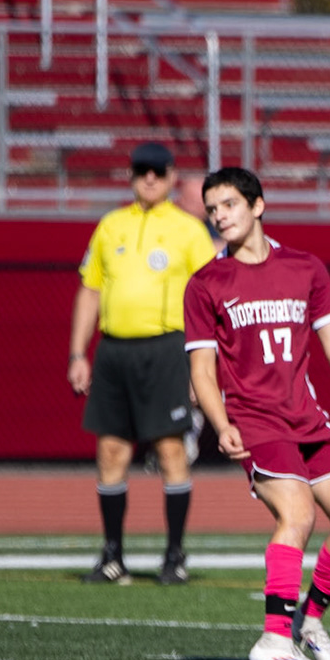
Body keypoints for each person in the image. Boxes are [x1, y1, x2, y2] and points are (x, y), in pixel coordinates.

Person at [184, 167, 330, 660]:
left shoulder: (306, 268)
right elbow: (200, 368)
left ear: (258, 205)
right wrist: (220, 424)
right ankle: (273, 640)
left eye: (228, 205)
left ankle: (309, 621)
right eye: (212, 209)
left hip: (308, 419)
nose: (219, 217)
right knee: (298, 515)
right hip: (255, 422)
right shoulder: (206, 283)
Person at [68, 141, 215, 586]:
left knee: (171, 450)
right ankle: (112, 555)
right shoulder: (111, 225)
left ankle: (174, 555)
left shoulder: (189, 230)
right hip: (115, 350)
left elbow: (210, 296)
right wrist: (79, 352)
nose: (148, 178)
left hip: (167, 348)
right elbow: (90, 290)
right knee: (111, 450)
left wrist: (200, 366)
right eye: (140, 171)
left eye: (157, 171)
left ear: (172, 177)